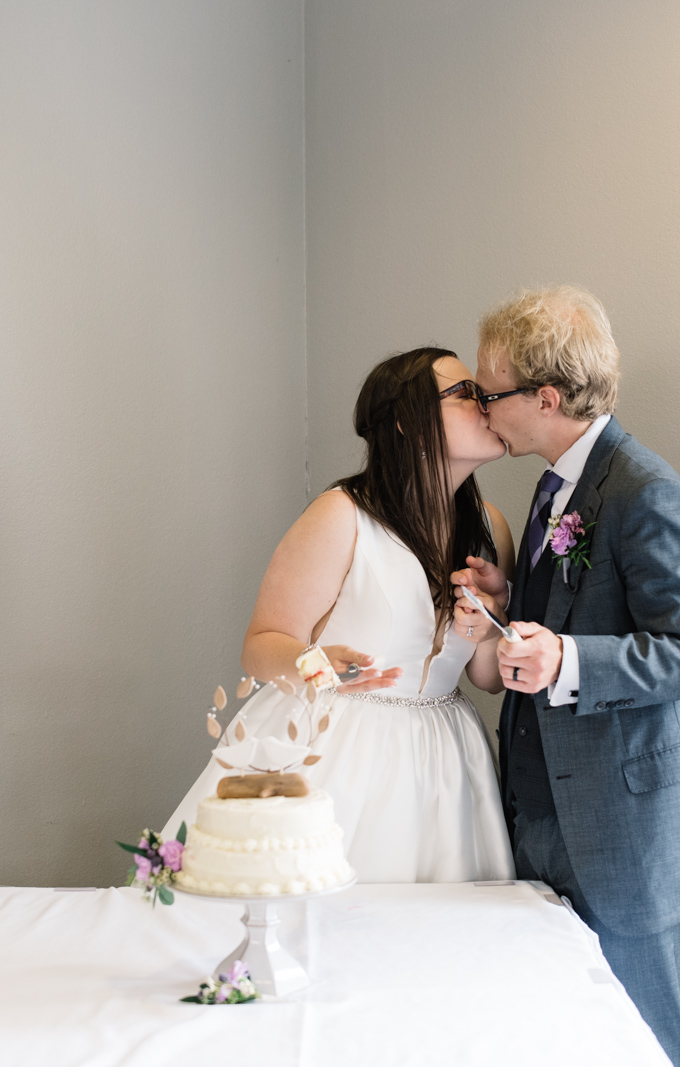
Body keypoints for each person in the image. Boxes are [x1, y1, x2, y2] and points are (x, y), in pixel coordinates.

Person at [452, 287, 680, 1067]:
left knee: (650, 1045)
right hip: (547, 815)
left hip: (626, 834)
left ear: (545, 397)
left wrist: (567, 661)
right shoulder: (557, 485)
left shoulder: (646, 494)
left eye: (490, 390)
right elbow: (579, 610)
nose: (483, 405)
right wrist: (514, 605)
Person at [165, 347, 517, 883]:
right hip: (340, 746)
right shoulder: (342, 515)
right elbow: (261, 644)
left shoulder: (492, 528)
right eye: (464, 393)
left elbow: (486, 678)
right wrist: (319, 665)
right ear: (408, 424)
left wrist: (489, 625)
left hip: (447, 759)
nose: (484, 401)